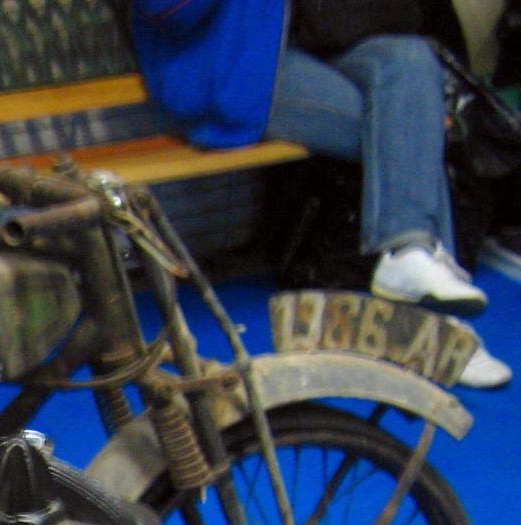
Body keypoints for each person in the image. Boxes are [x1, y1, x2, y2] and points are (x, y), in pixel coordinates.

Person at [130, 1, 512, 389]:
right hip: (232, 66)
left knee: (410, 61)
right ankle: (440, 333)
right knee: (406, 128)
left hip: (326, 44)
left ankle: (408, 253)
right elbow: (165, 9)